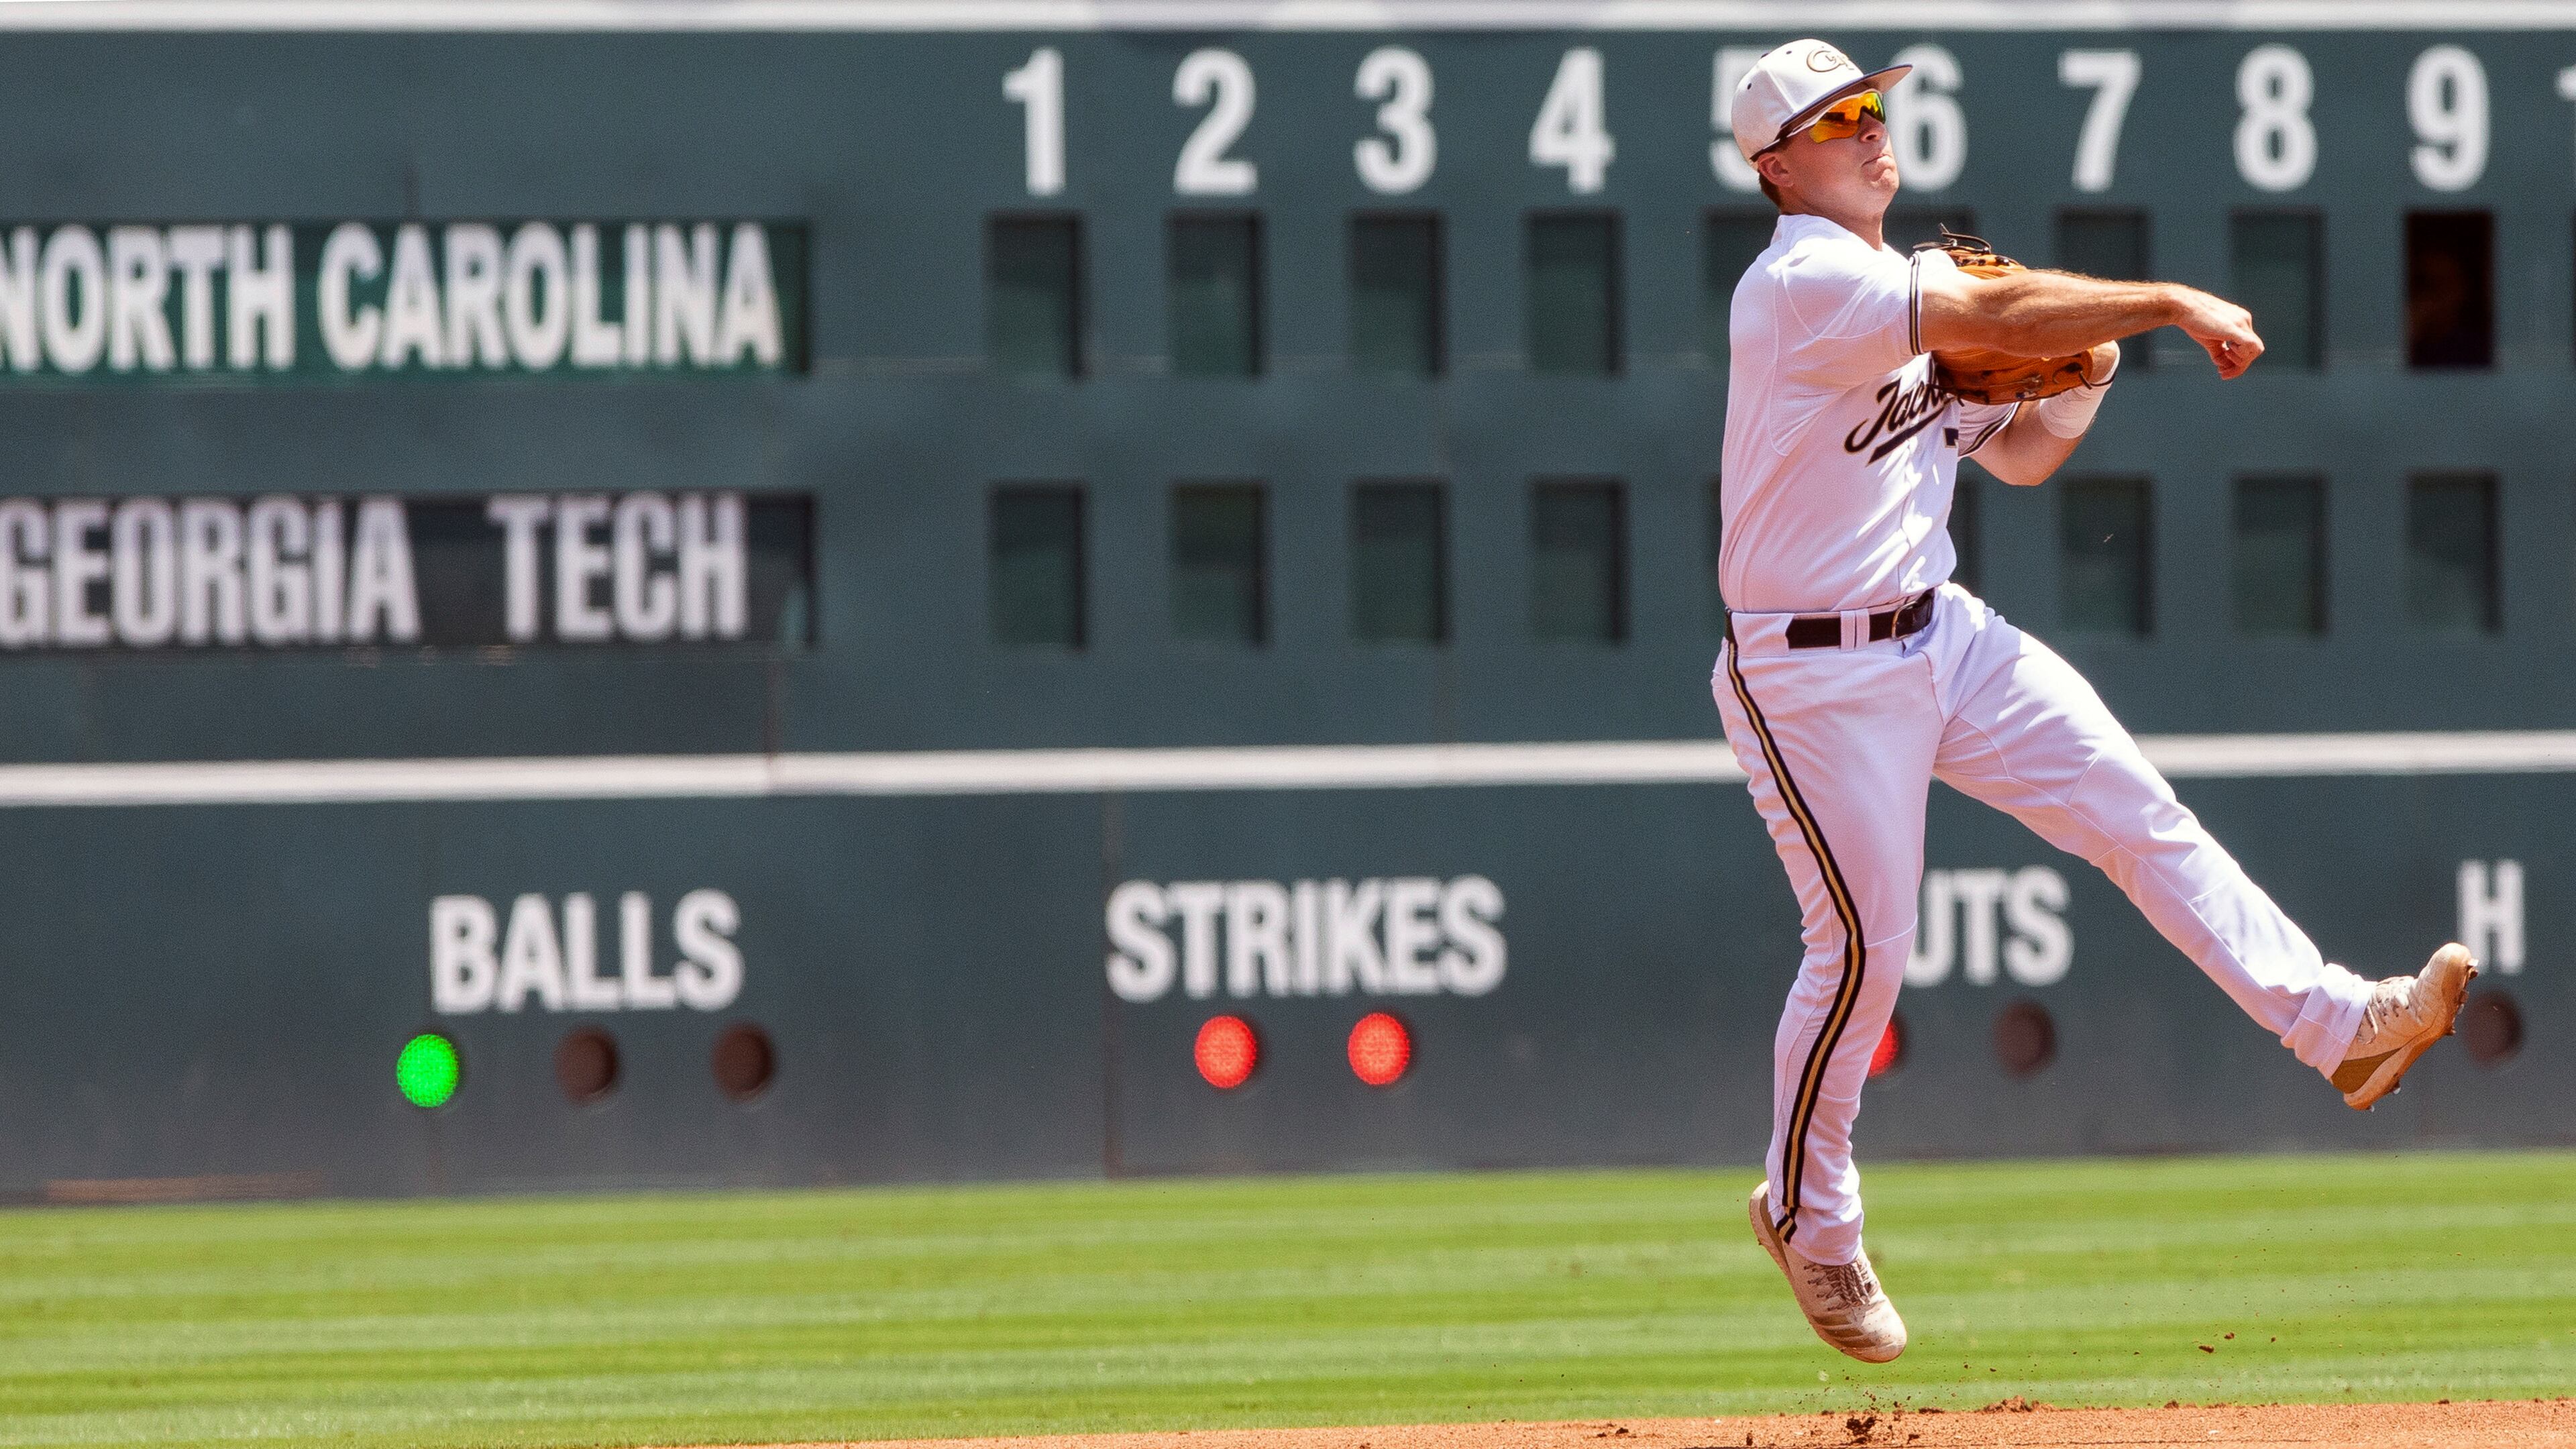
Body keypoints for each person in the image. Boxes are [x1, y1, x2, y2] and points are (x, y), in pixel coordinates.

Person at [1715, 40, 2475, 1365]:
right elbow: (1997, 327)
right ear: (1778, 167)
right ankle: (1805, 1212)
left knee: (2138, 813)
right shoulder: (1806, 283)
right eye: (1835, 119)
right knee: (1864, 949)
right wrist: (2164, 302)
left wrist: (2089, 388)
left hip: (1934, 633)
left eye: (1873, 105)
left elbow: (2015, 461)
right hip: (1812, 672)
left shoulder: (1903, 291)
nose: (1869, 127)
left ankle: (2340, 1029)